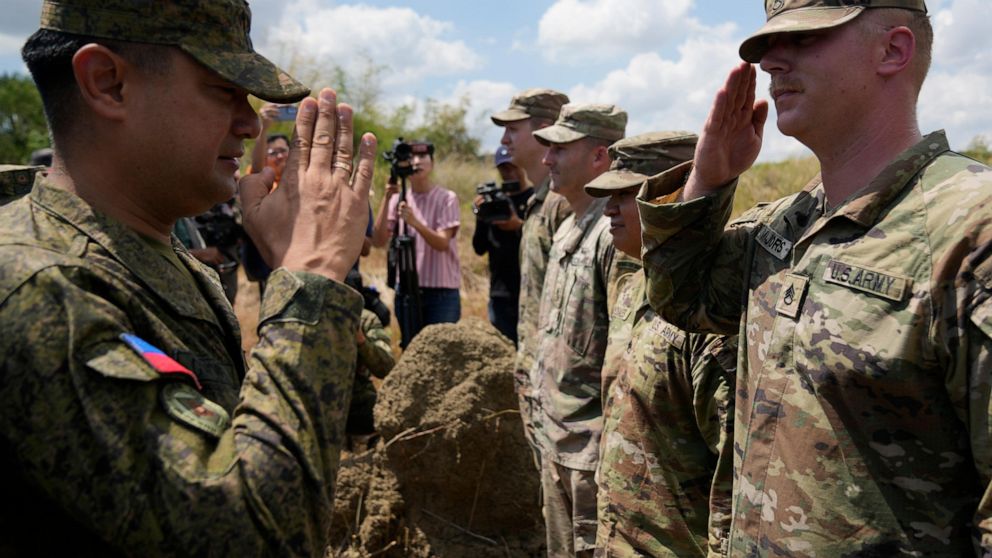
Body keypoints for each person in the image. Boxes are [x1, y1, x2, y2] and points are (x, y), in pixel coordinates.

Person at [0, 1, 377, 555]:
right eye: (224, 88)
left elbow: (306, 431)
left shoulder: (152, 252)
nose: (250, 123)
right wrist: (311, 275)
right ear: (107, 84)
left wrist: (298, 271)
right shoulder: (40, 284)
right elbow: (255, 535)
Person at [638, 1, 992, 555]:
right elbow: (684, 299)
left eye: (805, 39)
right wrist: (706, 182)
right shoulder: (790, 221)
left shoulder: (970, 228)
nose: (773, 62)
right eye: (768, 46)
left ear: (894, 50)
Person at [585, 131, 737, 557]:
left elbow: (734, 481)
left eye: (627, 194)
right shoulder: (631, 286)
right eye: (607, 195)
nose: (609, 209)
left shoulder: (711, 317)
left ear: (676, 196)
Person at [529, 103, 634, 557]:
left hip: (591, 454)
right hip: (556, 440)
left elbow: (626, 361)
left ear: (600, 156)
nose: (547, 159)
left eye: (560, 148)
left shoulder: (615, 236)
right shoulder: (569, 226)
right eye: (547, 148)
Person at [490, 88, 571, 472]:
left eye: (513, 129)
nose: (505, 140)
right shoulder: (542, 200)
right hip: (538, 373)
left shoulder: (564, 203)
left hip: (560, 383)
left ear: (544, 130)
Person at [371, 139, 461, 347]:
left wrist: (414, 222)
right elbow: (377, 240)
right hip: (407, 290)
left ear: (432, 162)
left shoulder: (447, 198)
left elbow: (442, 244)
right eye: (411, 156)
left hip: (441, 292)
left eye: (422, 156)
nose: (416, 161)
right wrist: (387, 197)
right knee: (411, 351)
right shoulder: (398, 199)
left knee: (441, 353)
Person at [472, 145, 533, 344]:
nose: (510, 173)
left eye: (514, 167)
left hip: (528, 289)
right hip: (500, 291)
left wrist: (518, 226)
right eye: (504, 169)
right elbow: (479, 248)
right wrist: (481, 215)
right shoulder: (493, 200)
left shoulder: (534, 199)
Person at [343, 270, 395, 442]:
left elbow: (386, 367)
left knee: (391, 417)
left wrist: (361, 341)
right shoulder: (316, 318)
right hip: (322, 402)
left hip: (358, 400)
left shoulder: (366, 320)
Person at [243, 132, 292, 290]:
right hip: (271, 262)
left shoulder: (301, 180)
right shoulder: (265, 182)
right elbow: (256, 170)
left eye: (283, 151)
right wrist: (264, 127)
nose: (279, 156)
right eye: (273, 153)